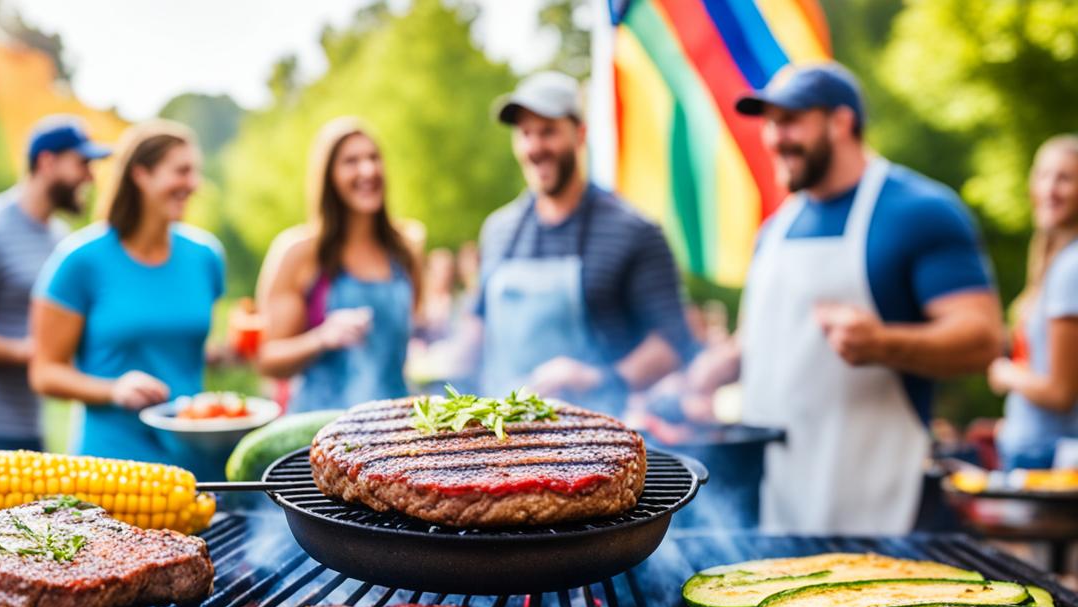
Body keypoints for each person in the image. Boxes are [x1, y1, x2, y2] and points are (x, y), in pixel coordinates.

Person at [687, 63, 1003, 534]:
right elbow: (762, 338)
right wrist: (716, 368)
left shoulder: (920, 211)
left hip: (875, 505)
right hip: (775, 503)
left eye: (790, 120)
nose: (775, 138)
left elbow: (983, 340)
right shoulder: (775, 228)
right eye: (770, 124)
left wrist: (881, 343)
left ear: (841, 121)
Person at [462, 71, 696, 415]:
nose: (535, 147)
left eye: (548, 132)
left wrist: (598, 378)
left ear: (580, 134)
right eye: (525, 134)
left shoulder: (633, 230)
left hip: (595, 442)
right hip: (504, 446)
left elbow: (674, 342)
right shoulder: (498, 230)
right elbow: (475, 329)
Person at [29, 119, 224, 466]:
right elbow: (45, 372)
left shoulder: (205, 256)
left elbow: (172, 347)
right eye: (181, 171)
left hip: (196, 461)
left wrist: (229, 353)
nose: (193, 184)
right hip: (114, 463)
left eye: (195, 172)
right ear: (141, 175)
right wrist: (114, 389)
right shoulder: (80, 260)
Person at [0, 115, 109, 451]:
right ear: (47, 162)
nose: (90, 176)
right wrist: (26, 351)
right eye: (82, 163)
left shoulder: (59, 236)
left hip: (32, 426)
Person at [255, 117, 420, 412]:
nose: (367, 170)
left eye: (373, 158)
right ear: (328, 175)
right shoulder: (300, 252)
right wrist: (321, 338)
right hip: (320, 432)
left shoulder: (405, 250)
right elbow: (267, 359)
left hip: (394, 432)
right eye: (351, 161)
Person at [989, 135, 1078, 469]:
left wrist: (1005, 374)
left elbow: (1061, 393)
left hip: (1050, 458)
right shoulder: (1056, 263)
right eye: (1044, 175)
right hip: (1036, 448)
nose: (1050, 188)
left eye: (1065, 178)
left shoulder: (1071, 268)